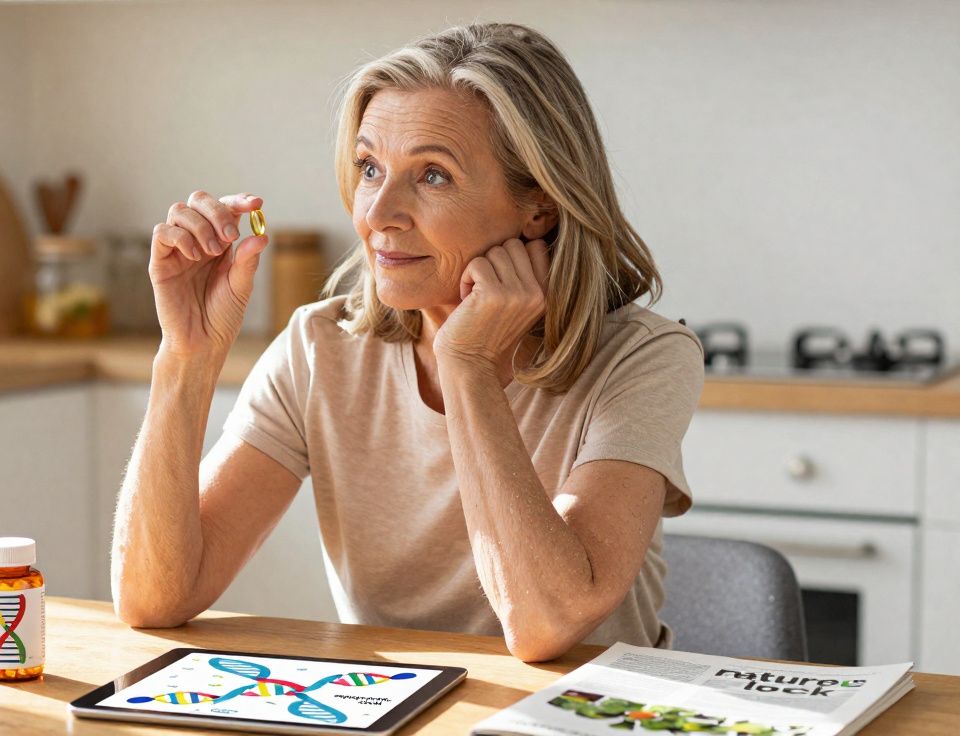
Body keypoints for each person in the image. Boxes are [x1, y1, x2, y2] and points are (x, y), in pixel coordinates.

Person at [111, 22, 704, 662]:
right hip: (393, 714)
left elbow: (544, 623)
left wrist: (468, 365)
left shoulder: (642, 358)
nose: (378, 213)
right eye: (370, 167)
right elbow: (154, 598)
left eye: (433, 176)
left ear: (539, 205)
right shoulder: (318, 349)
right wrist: (186, 356)